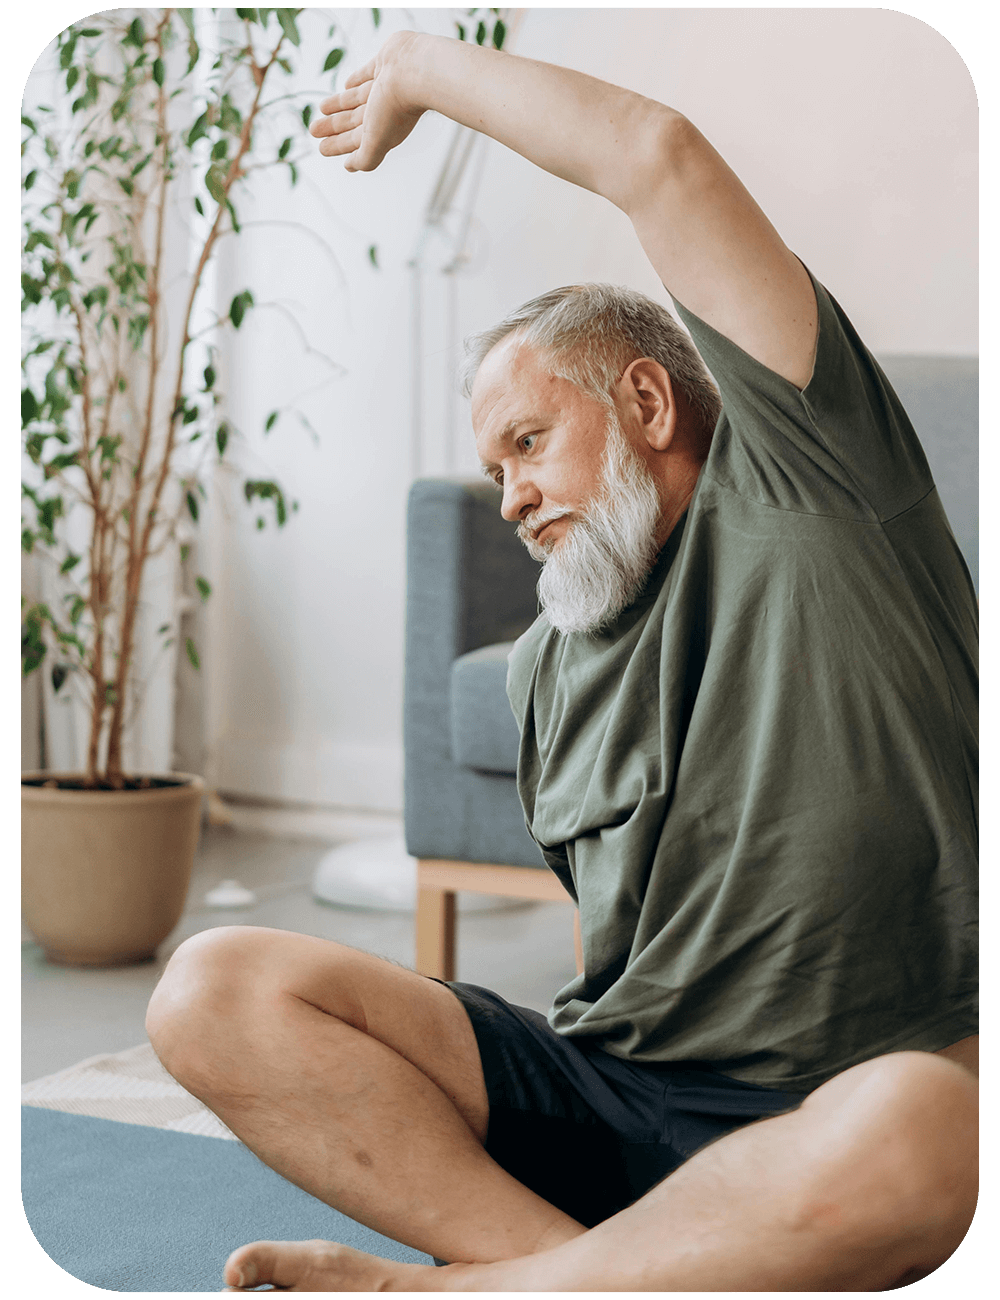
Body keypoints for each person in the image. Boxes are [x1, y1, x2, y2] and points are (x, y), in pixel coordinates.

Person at [145, 29, 978, 1293]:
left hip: (834, 1114)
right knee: (209, 985)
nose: (511, 498)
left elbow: (660, 159)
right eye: (494, 472)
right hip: (620, 1100)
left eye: (529, 442)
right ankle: (581, 1278)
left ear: (647, 405)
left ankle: (481, 1286)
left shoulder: (815, 487)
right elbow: (617, 962)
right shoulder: (545, 671)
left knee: (928, 1127)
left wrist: (418, 67)